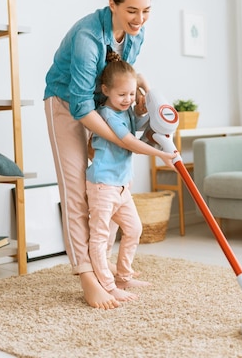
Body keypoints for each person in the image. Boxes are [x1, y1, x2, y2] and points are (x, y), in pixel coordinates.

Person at [44, 0, 174, 310]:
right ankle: (88, 278)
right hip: (67, 103)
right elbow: (81, 107)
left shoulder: (135, 34)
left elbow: (125, 72)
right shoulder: (89, 36)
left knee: (105, 191)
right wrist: (123, 138)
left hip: (99, 104)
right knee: (77, 193)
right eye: (132, 11)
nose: (139, 19)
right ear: (112, 3)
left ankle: (114, 274)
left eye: (146, 11)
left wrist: (142, 93)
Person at [86, 53, 166, 302]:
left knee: (134, 229)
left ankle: (124, 275)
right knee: (100, 237)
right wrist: (161, 156)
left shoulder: (127, 111)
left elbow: (149, 121)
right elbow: (129, 142)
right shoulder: (107, 115)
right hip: (103, 185)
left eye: (131, 94)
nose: (127, 99)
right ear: (106, 90)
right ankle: (108, 286)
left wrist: (143, 97)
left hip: (121, 186)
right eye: (122, 95)